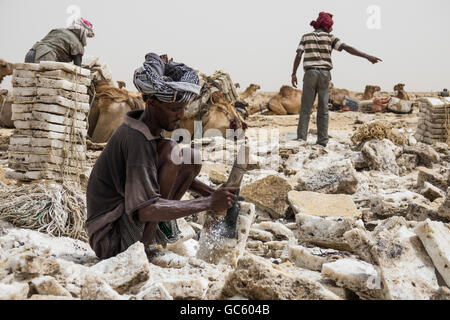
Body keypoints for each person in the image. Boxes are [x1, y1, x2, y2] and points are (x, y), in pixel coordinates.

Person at [86, 53, 238, 260]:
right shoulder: (136, 140)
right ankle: (146, 246)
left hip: (125, 220)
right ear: (151, 102)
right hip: (111, 238)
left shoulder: (145, 130)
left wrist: (214, 193)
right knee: (173, 152)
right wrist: (209, 202)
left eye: (183, 108)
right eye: (174, 109)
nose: (181, 115)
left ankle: (152, 235)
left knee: (190, 158)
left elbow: (176, 174)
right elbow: (145, 210)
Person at [292, 12, 382, 147]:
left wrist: (293, 73)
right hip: (324, 75)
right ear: (327, 26)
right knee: (323, 109)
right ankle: (322, 141)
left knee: (306, 108)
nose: (332, 29)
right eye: (331, 26)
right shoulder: (330, 37)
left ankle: (301, 139)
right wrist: (367, 56)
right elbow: (346, 48)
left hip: (310, 74)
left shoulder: (306, 37)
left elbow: (299, 54)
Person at [24, 17, 95, 66]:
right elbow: (78, 68)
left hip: (32, 52)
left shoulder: (58, 30)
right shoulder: (77, 44)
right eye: (87, 35)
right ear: (82, 31)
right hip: (46, 56)